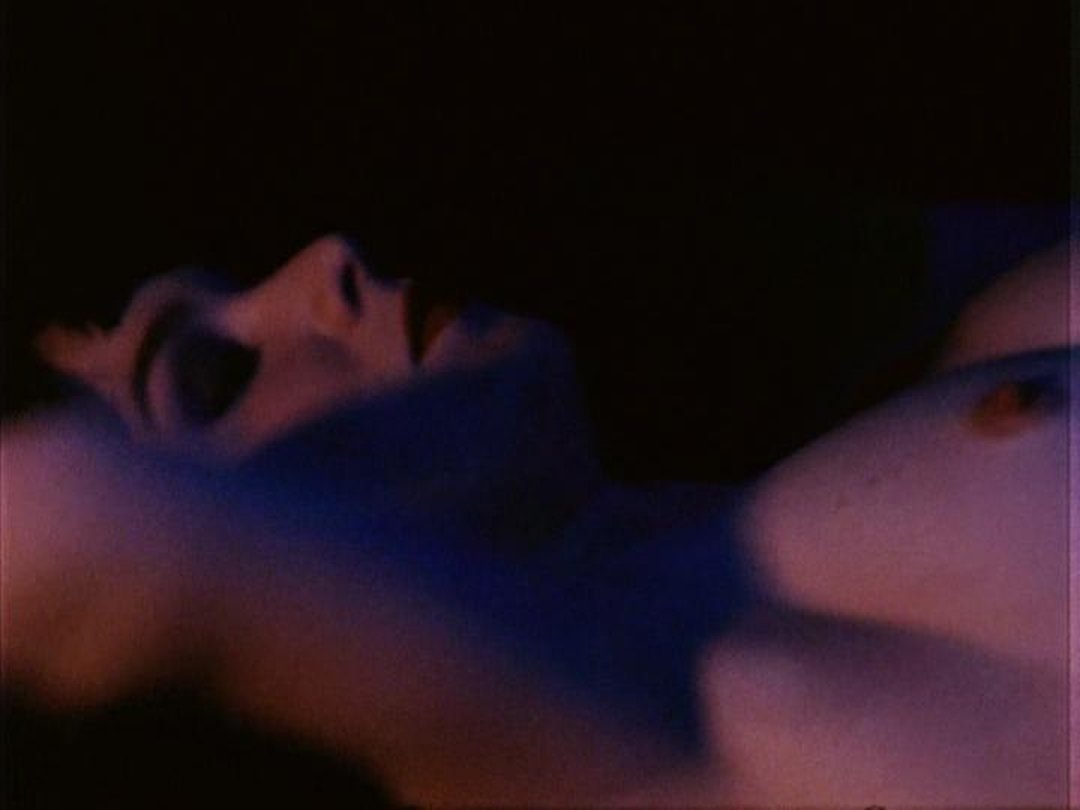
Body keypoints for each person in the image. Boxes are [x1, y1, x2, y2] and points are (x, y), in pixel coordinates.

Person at [4, 235, 1073, 805]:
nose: (327, 263)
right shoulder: (615, 748)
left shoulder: (955, 343)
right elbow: (63, 522)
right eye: (212, 375)